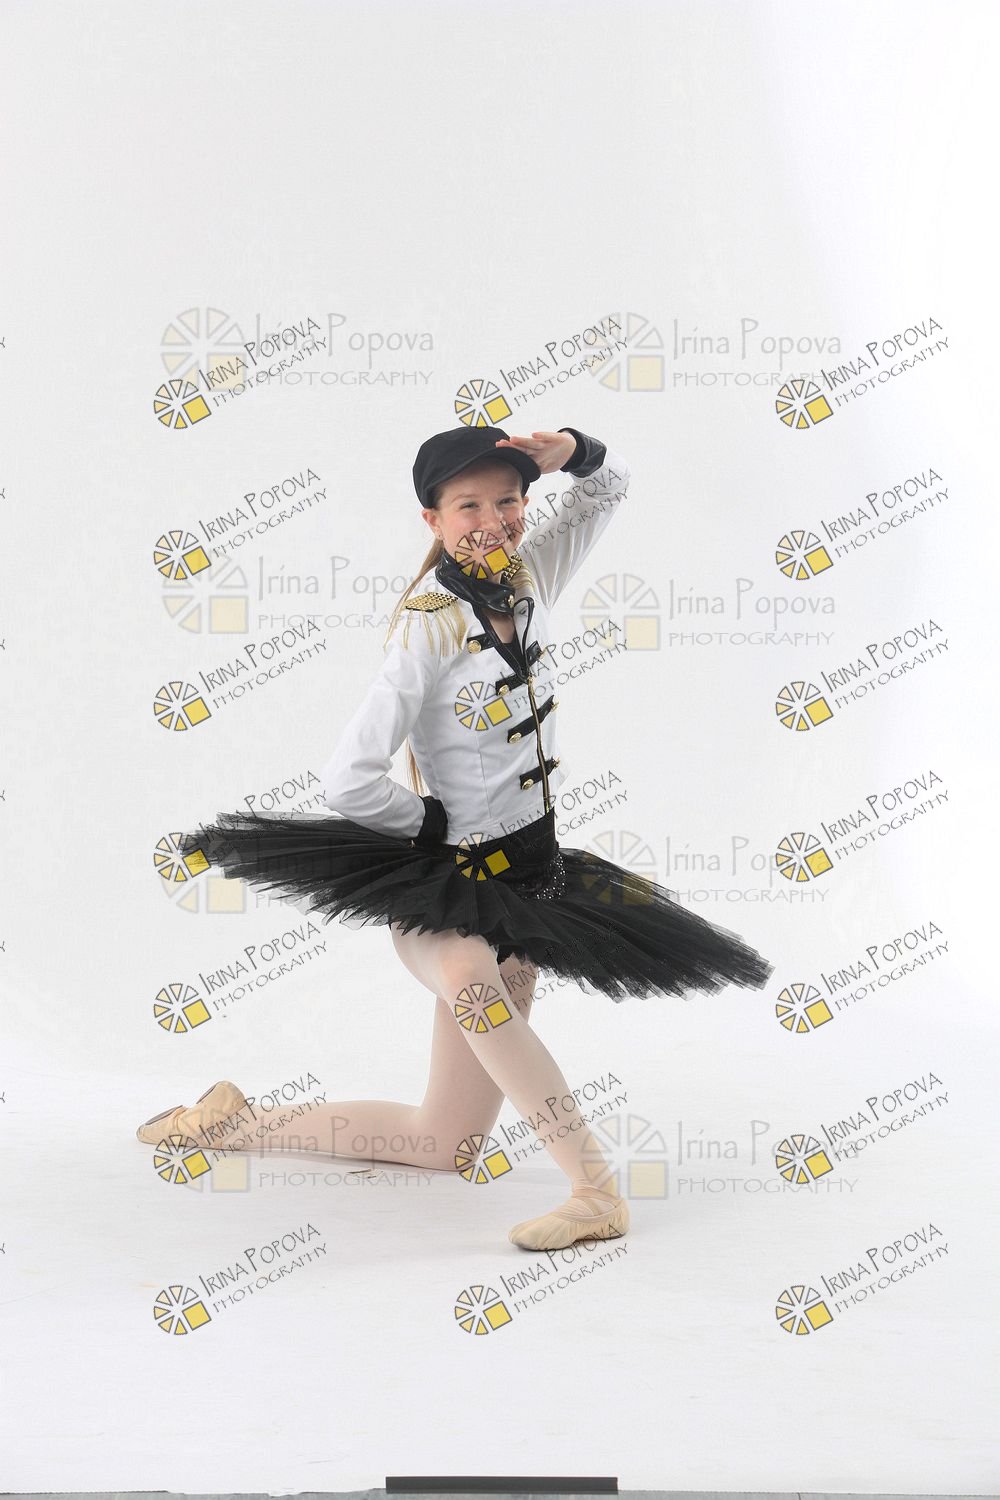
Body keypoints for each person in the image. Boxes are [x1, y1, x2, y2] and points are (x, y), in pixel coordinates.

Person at [136, 424, 775, 1251]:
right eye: (467, 505)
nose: (492, 519)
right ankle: (595, 1192)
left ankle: (231, 1124)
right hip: (451, 888)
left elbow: (610, 488)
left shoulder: (529, 576)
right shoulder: (428, 625)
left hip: (535, 886)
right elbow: (347, 779)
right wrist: (430, 823)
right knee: (473, 985)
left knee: (444, 1143)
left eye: (507, 500)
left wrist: (570, 450)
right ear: (432, 521)